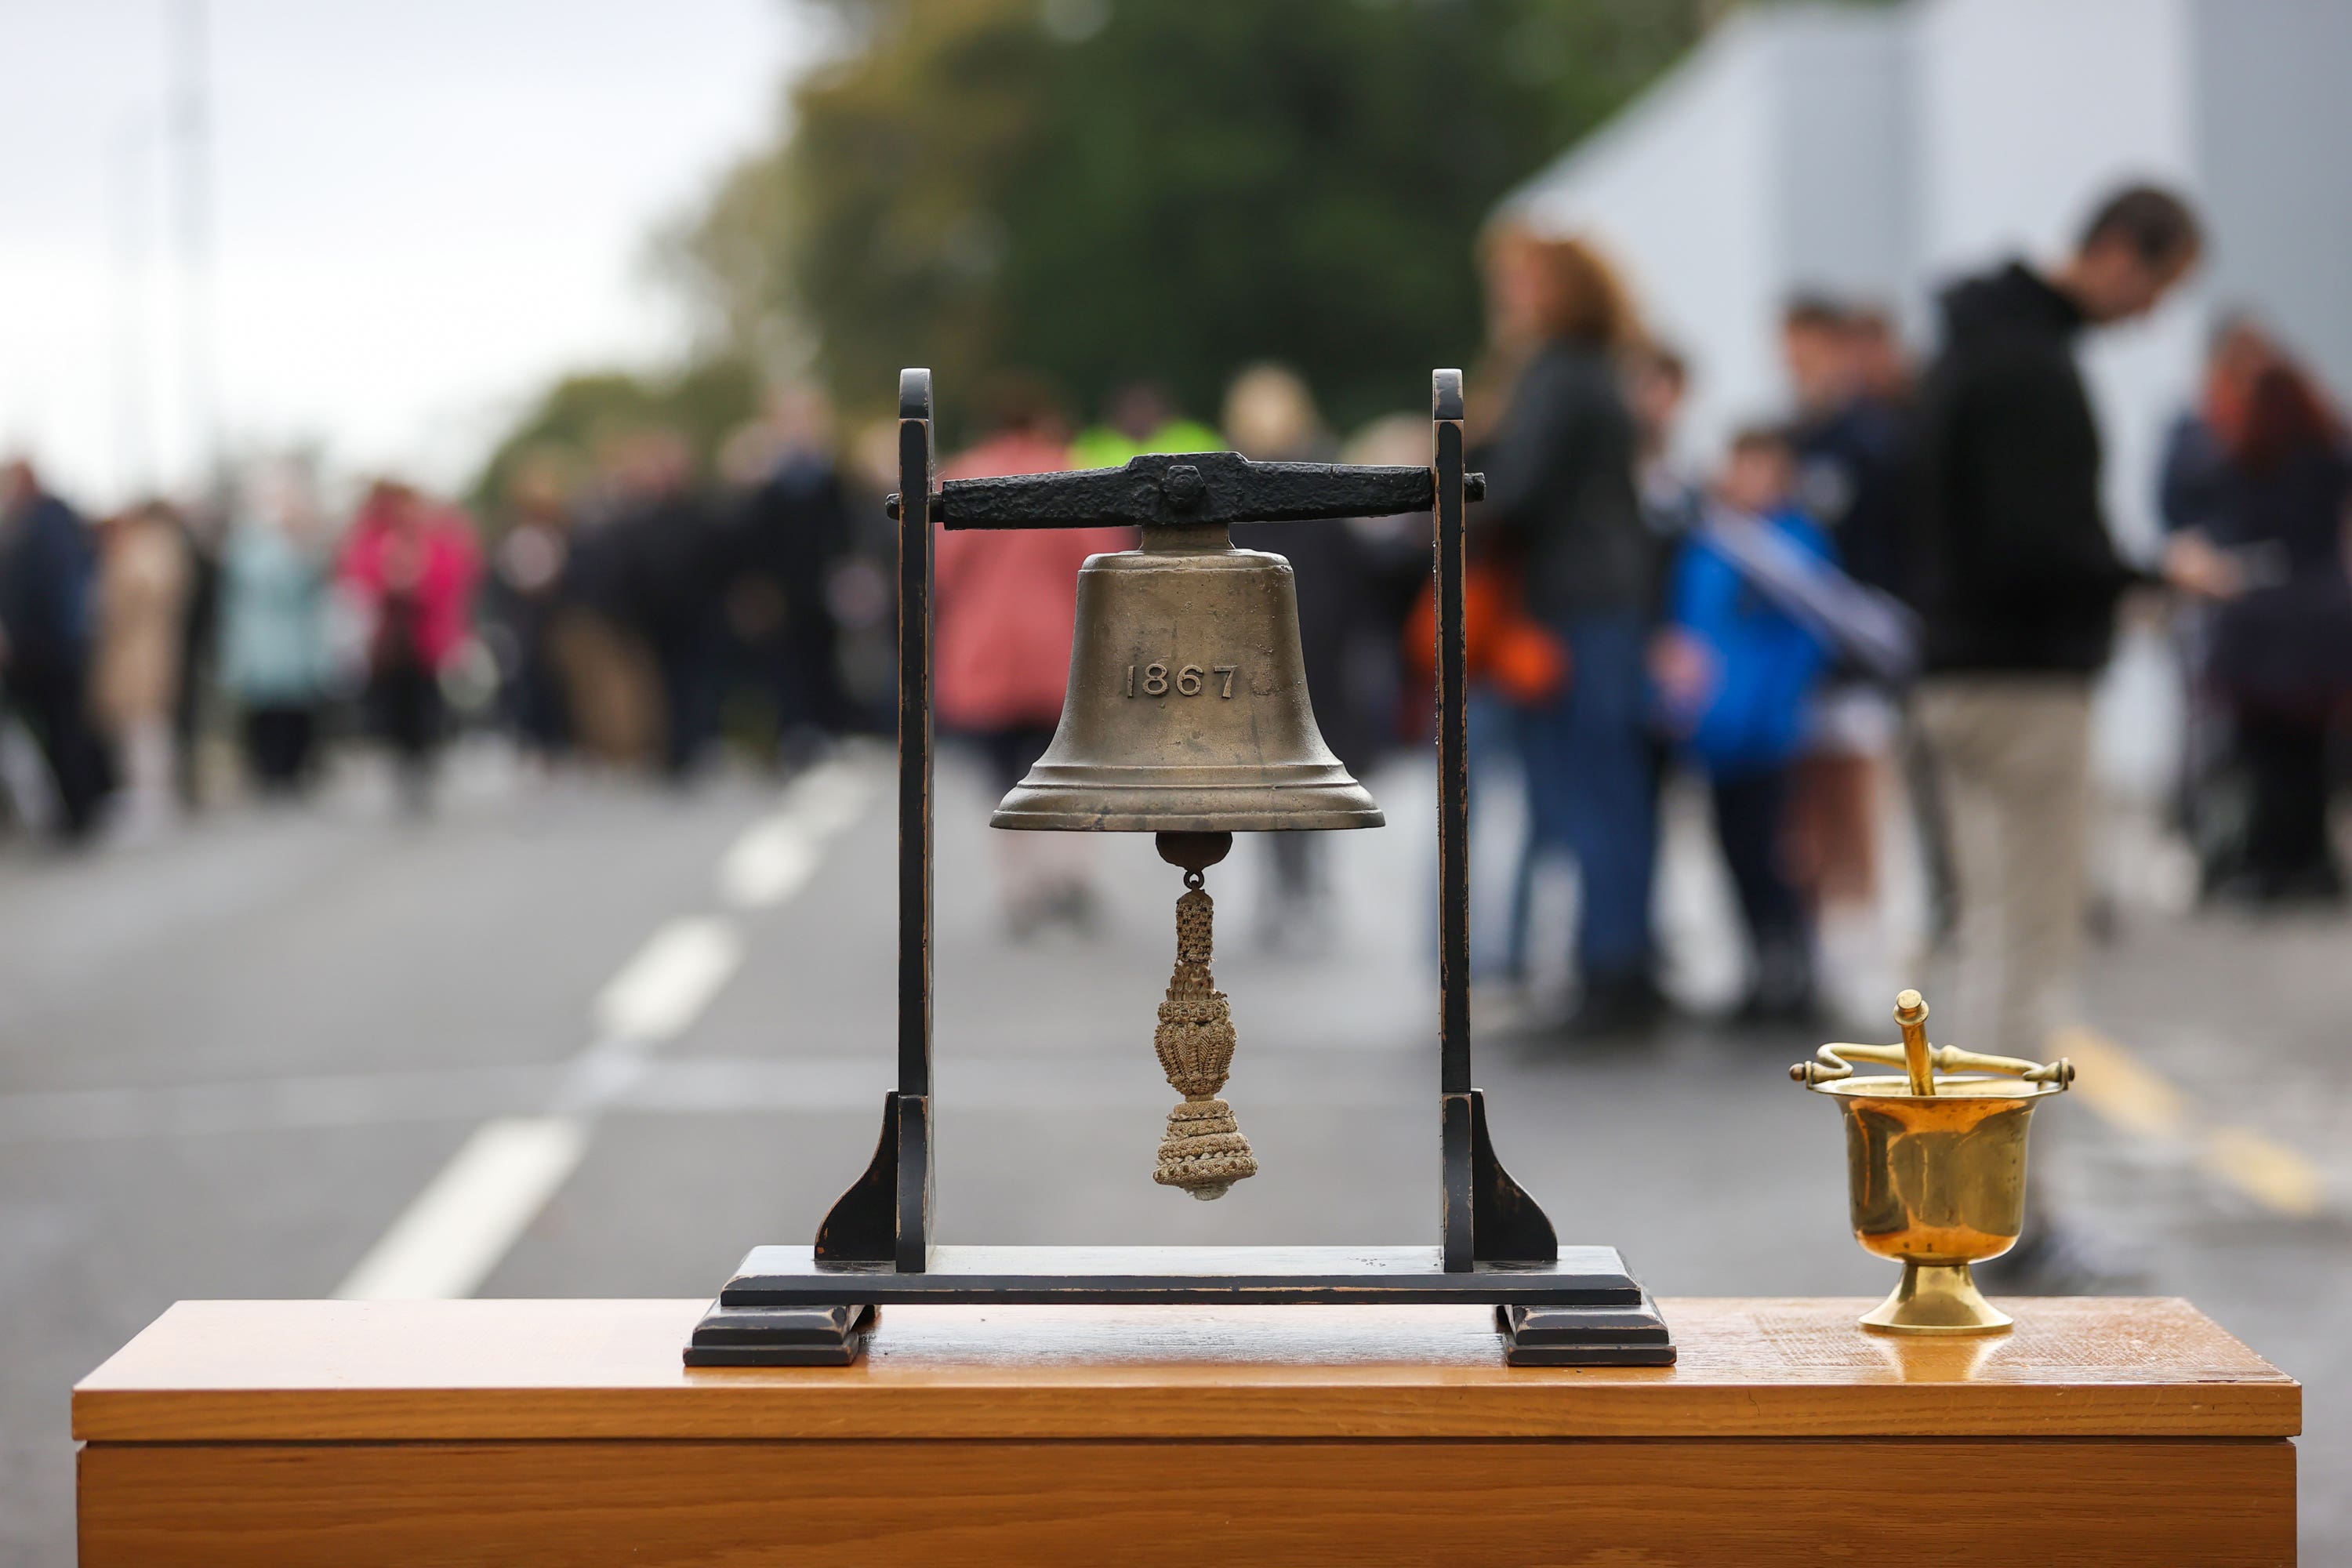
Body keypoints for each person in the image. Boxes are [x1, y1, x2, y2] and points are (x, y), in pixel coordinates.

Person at [1910, 184, 2203, 1285]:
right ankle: (2011, 1222)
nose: (2151, 313)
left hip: (1953, 677)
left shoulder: (1966, 349)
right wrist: (2149, 571)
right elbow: (2040, 544)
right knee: (2028, 960)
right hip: (2026, 684)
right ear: (2123, 251)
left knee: (1982, 948)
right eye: (2161, 285)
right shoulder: (2029, 368)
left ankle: (1958, 1206)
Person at [1473, 226, 1660, 1036]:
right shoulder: (1600, 374)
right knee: (1613, 794)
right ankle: (1621, 962)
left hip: (1571, 608)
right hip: (1609, 603)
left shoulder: (1556, 374)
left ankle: (1608, 971)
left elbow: (1518, 492)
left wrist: (1459, 475)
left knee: (1583, 796)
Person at [935, 373, 1131, 937]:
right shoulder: (1072, 473)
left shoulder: (966, 475)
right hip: (1060, 646)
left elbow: (943, 569)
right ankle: (1068, 876)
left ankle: (1019, 887)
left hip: (987, 650)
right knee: (1072, 769)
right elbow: (1105, 559)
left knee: (1002, 780)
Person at [1653, 429, 1837, 1022]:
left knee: (1774, 853)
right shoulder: (1711, 543)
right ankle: (1759, 967)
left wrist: (1777, 707)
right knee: (1732, 851)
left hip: (1767, 729)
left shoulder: (1792, 546)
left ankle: (1796, 968)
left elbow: (1810, 639)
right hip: (1714, 729)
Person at [2165, 352, 2352, 902]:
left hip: (2257, 618)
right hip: (2320, 618)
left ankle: (2270, 859)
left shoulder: (2238, 456)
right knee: (2312, 751)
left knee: (2260, 753)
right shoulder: (2329, 455)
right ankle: (2311, 860)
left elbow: (2207, 530)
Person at [1780, 296, 1915, 1015]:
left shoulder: (1875, 440)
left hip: (1862, 648)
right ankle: (1821, 949)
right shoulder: (1792, 440)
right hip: (1802, 657)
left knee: (1857, 801)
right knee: (1808, 812)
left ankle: (1868, 950)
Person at [1221, 363, 1383, 947]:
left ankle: (1298, 882)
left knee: (1286, 772)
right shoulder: (1318, 472)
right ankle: (1295, 883)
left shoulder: (1247, 479)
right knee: (1287, 773)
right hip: (1295, 644)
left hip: (1298, 645)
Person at [724, 387, 856, 768]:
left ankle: (828, 729)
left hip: (822, 588)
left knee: (825, 660)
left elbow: (844, 535)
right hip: (779, 592)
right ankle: (794, 734)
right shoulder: (767, 482)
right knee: (785, 666)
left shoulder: (830, 477)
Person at [339, 481, 481, 811]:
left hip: (425, 636)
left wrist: (418, 582)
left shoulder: (434, 535)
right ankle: (403, 764)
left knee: (427, 702)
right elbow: (356, 576)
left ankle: (425, 761)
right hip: (387, 641)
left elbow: (458, 572)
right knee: (392, 705)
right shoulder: (372, 537)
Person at [605, 431, 724, 782]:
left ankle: (691, 749)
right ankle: (668, 750)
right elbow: (627, 570)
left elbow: (718, 564)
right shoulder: (638, 518)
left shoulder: (704, 514)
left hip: (697, 616)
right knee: (660, 687)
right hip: (653, 619)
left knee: (694, 683)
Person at [0, 459, 106, 841]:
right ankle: (74, 810)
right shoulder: (35, 523)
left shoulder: (42, 525)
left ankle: (78, 813)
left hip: (51, 651)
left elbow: (46, 592)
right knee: (59, 732)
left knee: (64, 731)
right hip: (47, 649)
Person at [220, 462, 333, 794]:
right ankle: (269, 772)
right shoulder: (250, 544)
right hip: (263, 642)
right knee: (266, 711)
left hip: (297, 643)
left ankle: (296, 770)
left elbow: (314, 584)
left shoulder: (302, 542)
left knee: (297, 709)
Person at [90, 499, 194, 840]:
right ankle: (142, 797)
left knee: (148, 727)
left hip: (146, 650)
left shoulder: (155, 547)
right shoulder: (141, 547)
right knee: (133, 729)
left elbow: (143, 592)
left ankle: (154, 800)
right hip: (130, 651)